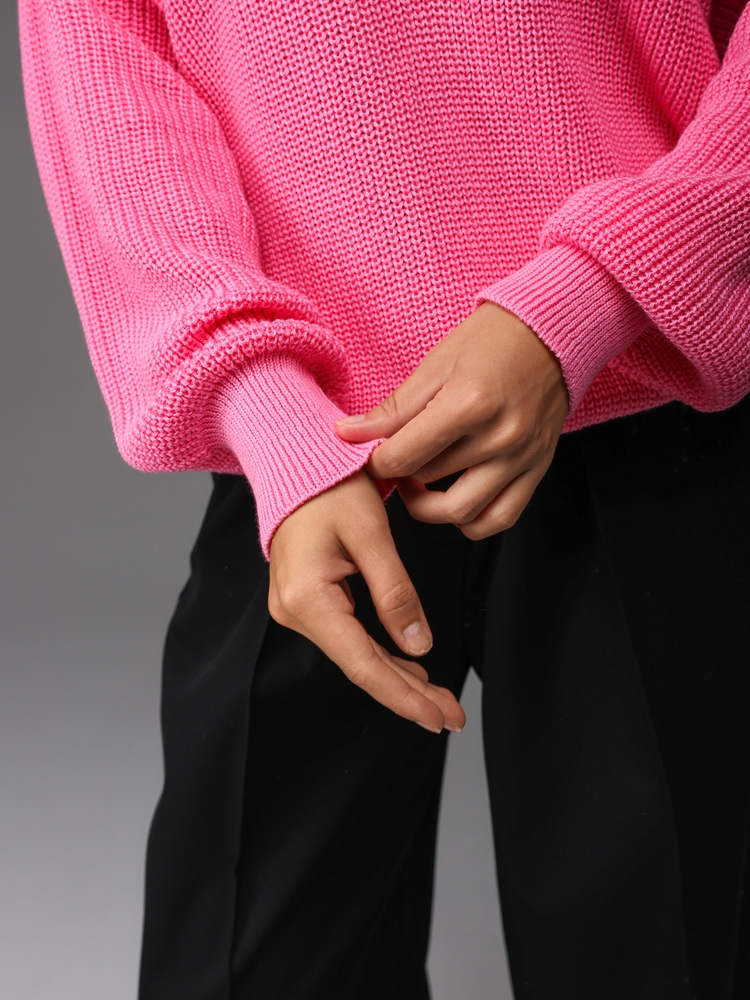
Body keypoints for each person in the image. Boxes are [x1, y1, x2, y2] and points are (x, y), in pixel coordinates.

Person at [19, 0, 750, 996]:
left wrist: (599, 290)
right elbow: (104, 49)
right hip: (315, 447)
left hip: (644, 378)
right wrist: (259, 398)